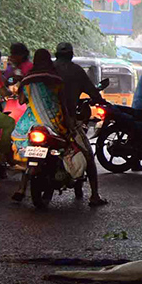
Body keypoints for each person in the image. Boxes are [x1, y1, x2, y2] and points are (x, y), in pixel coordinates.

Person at [10, 49, 107, 206]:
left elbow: (21, 101)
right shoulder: (56, 78)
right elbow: (61, 101)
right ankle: (94, 195)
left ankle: (21, 189)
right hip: (57, 121)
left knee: (32, 153)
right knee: (87, 152)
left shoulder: (28, 79)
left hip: (30, 123)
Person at [52, 42, 107, 205]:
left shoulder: (47, 69)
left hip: (44, 121)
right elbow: (93, 92)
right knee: (88, 156)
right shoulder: (76, 71)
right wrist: (100, 100)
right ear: (71, 55)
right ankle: (94, 195)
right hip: (68, 121)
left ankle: (22, 187)